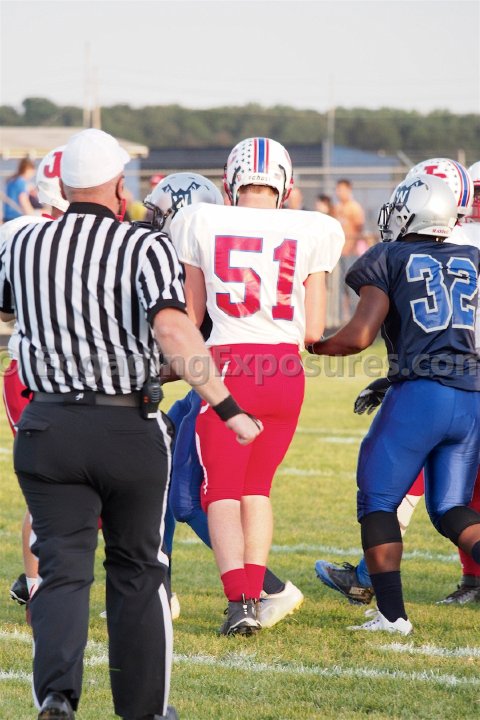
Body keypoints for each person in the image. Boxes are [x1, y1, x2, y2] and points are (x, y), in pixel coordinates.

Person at [0, 128, 261, 720]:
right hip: (125, 424)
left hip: (48, 425)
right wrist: (228, 408)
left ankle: (57, 696)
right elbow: (172, 330)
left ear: (62, 186)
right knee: (138, 570)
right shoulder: (144, 245)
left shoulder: (22, 242)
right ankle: (144, 710)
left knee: (61, 570)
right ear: (120, 187)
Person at [170, 136, 345, 635]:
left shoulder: (201, 220)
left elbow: (192, 317)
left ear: (231, 182)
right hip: (286, 371)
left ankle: (240, 602)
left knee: (222, 492)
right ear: (285, 185)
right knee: (257, 490)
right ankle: (254, 597)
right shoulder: (313, 227)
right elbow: (314, 330)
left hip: (230, 365)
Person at [308, 173, 480, 635]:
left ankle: (392, 615)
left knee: (378, 500)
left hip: (421, 397)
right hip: (470, 397)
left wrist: (313, 344)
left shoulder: (389, 255)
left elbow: (358, 336)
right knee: (451, 509)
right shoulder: (472, 257)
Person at [147, 172, 305, 628]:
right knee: (180, 494)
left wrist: (147, 371)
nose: (153, 221)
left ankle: (261, 589)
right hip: (226, 385)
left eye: (160, 213)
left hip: (219, 389)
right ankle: (165, 590)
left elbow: (190, 348)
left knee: (191, 497)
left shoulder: (199, 261)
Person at [2, 146, 69, 611]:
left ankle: (36, 582)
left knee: (49, 488)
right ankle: (37, 583)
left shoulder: (17, 233)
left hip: (28, 370)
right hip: (68, 374)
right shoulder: (110, 236)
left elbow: (5, 310)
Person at [335, 178, 365, 321]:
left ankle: (356, 317)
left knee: (352, 286)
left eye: (342, 189)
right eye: (338, 189)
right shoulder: (337, 207)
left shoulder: (354, 207)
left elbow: (359, 228)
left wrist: (351, 247)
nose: (339, 192)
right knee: (340, 288)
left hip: (351, 253)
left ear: (348, 190)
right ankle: (342, 317)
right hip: (339, 253)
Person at [2, 157, 36, 222]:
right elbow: (24, 201)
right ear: (27, 170)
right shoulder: (21, 182)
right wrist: (33, 217)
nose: (32, 175)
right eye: (32, 172)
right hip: (16, 217)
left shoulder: (12, 180)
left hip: (7, 217)